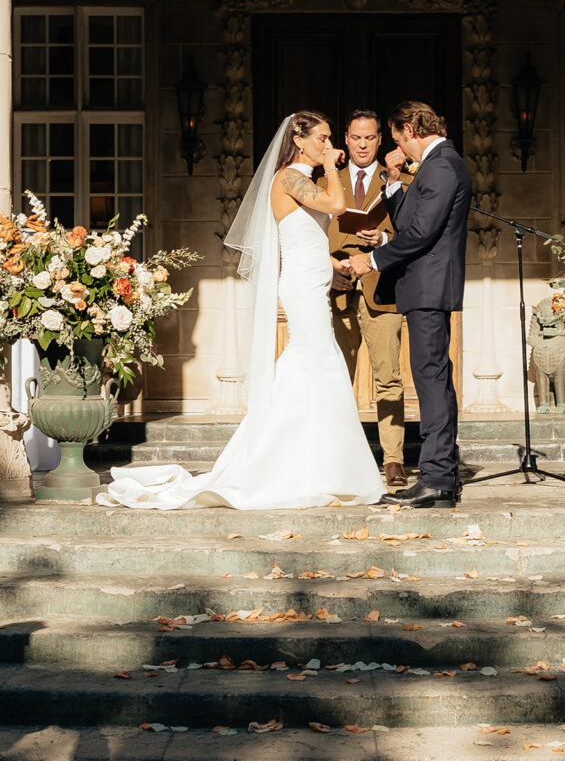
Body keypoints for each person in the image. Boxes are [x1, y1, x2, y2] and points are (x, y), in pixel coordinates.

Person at [96, 112, 385, 510]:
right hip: (301, 289)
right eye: (322, 138)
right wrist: (337, 165)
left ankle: (309, 463)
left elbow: (305, 238)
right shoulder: (289, 178)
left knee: (312, 369)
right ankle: (284, 461)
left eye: (330, 139)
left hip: (314, 284)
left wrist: (334, 265)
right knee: (318, 363)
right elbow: (337, 205)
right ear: (299, 141)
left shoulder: (303, 181)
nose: (327, 145)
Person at [348, 100, 472, 508]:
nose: (400, 148)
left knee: (431, 379)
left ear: (410, 129)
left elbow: (420, 233)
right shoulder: (435, 166)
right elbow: (409, 221)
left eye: (399, 138)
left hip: (429, 288)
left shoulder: (440, 165)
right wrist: (394, 179)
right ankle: (441, 477)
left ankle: (437, 476)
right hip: (423, 288)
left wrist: (373, 259)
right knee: (430, 376)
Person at [324, 109, 407, 486]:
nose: (362, 144)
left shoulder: (399, 181)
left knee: (388, 377)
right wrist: (330, 273)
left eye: (370, 138)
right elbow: (309, 238)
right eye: (356, 138)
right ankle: (341, 456)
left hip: (382, 288)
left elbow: (413, 233)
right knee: (337, 378)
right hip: (338, 292)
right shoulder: (328, 181)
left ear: (379, 140)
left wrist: (385, 241)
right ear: (346, 138)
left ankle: (393, 459)